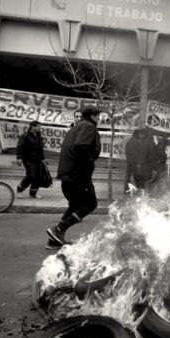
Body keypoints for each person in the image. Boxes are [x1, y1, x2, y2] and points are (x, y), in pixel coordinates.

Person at [46, 106, 101, 249]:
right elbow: (81, 146)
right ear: (93, 116)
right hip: (78, 175)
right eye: (98, 115)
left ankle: (54, 240)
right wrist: (90, 163)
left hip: (70, 174)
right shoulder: (89, 127)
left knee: (75, 205)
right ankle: (58, 229)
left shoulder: (77, 127)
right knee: (90, 204)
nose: (99, 118)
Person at [16, 120, 45, 199]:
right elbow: (20, 147)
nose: (39, 128)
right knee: (31, 175)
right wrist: (19, 158)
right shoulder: (25, 136)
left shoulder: (39, 136)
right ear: (33, 127)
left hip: (38, 159)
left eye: (40, 126)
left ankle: (33, 192)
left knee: (38, 176)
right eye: (38, 126)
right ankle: (20, 189)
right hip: (28, 159)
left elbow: (40, 149)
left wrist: (43, 158)